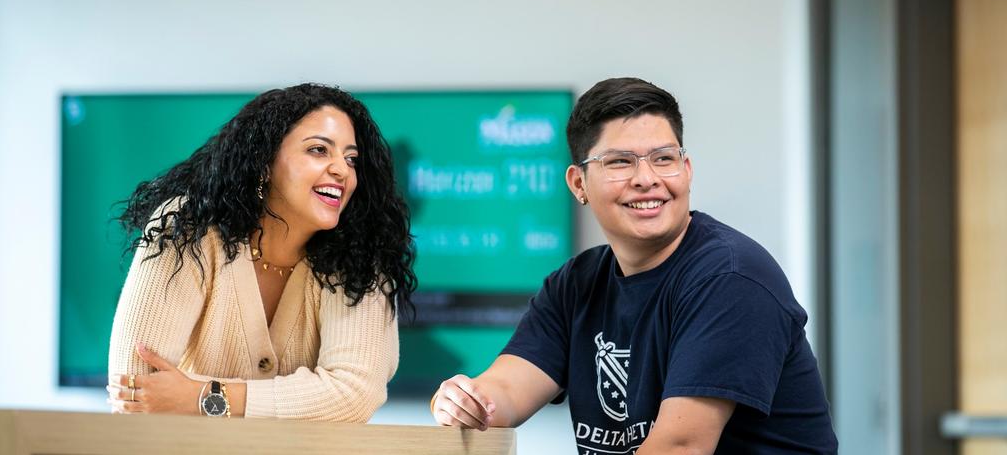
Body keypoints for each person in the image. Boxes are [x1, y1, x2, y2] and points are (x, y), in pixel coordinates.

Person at [431, 78, 838, 453]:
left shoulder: (731, 278)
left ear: (687, 170)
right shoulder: (575, 285)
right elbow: (504, 390)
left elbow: (680, 447)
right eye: (620, 162)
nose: (647, 179)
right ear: (578, 184)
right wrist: (464, 401)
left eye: (663, 158)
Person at [106, 83, 416, 421]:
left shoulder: (363, 254)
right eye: (318, 150)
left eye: (351, 158)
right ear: (265, 162)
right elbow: (136, 391)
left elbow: (354, 393)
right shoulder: (188, 230)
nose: (342, 170)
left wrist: (203, 397)